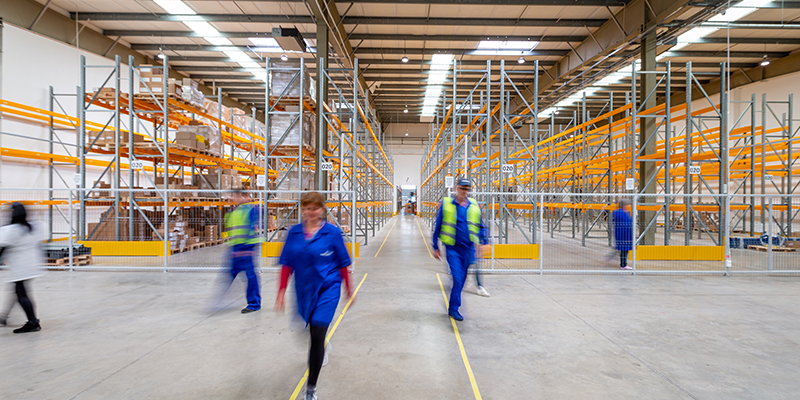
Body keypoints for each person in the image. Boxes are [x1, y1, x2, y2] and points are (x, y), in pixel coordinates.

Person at [275, 192, 353, 400]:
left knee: (317, 332)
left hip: (329, 287)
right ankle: (322, 345)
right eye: (307, 208)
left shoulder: (332, 233)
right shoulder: (293, 233)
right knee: (310, 328)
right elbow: (287, 263)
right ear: (303, 210)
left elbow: (344, 263)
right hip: (304, 289)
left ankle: (311, 388)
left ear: (322, 210)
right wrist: (281, 291)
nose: (311, 212)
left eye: (315, 208)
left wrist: (349, 289)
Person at [432, 178, 489, 321]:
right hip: (453, 249)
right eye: (462, 188)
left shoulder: (474, 206)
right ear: (456, 188)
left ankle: (454, 305)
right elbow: (438, 226)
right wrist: (435, 246)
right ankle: (453, 308)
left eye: (467, 189)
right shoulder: (446, 205)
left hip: (469, 249)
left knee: (462, 280)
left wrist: (485, 241)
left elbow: (480, 226)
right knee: (457, 279)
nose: (464, 191)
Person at [0, 203, 45, 333]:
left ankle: (33, 322)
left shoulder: (12, 229)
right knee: (18, 291)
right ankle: (4, 316)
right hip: (32, 264)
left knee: (21, 293)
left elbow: (4, 247)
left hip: (20, 266)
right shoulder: (33, 227)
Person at [223, 190, 261, 313]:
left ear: (245, 197)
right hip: (235, 248)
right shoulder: (232, 213)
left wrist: (250, 247)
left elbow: (253, 227)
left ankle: (254, 304)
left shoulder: (250, 210)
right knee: (230, 274)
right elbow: (231, 231)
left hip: (246, 248)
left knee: (250, 276)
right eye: (234, 197)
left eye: (238, 196)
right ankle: (218, 300)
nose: (236, 199)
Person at [612, 199, 633, 270]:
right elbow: (626, 224)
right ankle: (623, 264)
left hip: (623, 234)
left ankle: (623, 264)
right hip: (624, 235)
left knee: (623, 250)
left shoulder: (622, 212)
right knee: (624, 250)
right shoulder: (622, 213)